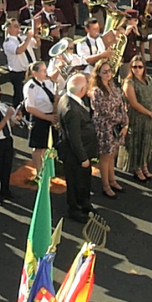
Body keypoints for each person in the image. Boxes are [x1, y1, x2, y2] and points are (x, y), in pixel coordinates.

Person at [56, 73, 98, 221]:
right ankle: (74, 209)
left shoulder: (70, 98)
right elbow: (74, 137)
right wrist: (83, 158)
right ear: (81, 90)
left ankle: (84, 203)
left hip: (82, 151)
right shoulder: (71, 109)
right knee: (75, 182)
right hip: (75, 154)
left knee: (84, 180)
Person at [90, 59, 128, 198]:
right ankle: (105, 185)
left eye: (109, 71)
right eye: (104, 72)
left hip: (116, 126)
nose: (108, 74)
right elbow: (104, 112)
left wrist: (125, 123)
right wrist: (121, 120)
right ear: (98, 74)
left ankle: (113, 181)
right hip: (104, 128)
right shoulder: (96, 91)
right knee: (105, 157)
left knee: (113, 154)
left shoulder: (113, 86)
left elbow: (121, 105)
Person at [120, 55, 152, 182]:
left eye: (140, 67)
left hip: (149, 118)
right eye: (134, 67)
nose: (137, 69)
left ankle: (144, 165)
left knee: (146, 142)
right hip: (136, 117)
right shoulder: (129, 83)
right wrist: (149, 112)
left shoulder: (149, 79)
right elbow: (134, 103)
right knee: (136, 142)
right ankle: (137, 168)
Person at [24, 62, 57, 175]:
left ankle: (45, 168)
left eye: (45, 70)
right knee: (38, 147)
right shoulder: (30, 87)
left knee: (45, 146)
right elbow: (29, 107)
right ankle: (39, 172)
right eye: (42, 70)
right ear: (34, 73)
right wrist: (46, 117)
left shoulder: (47, 82)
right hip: (39, 118)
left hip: (50, 116)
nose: (45, 73)